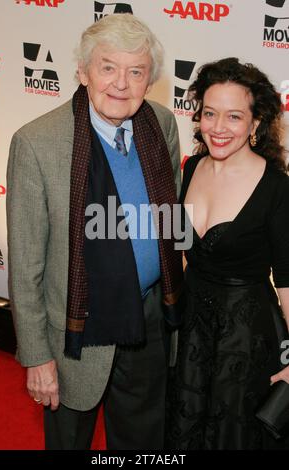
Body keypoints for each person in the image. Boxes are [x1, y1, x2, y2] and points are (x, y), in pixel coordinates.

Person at [6, 13, 184, 450]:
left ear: (149, 80)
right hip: (75, 330)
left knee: (144, 442)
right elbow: (26, 264)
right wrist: (37, 357)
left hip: (148, 316)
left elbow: (172, 220)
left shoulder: (160, 124)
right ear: (83, 72)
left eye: (136, 71)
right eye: (108, 67)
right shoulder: (37, 142)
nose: (121, 83)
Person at [166, 57, 289, 450]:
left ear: (255, 124)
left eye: (234, 116)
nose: (218, 128)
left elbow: (287, 280)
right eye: (210, 113)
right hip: (191, 332)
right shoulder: (192, 166)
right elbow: (181, 252)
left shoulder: (276, 188)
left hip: (246, 339)